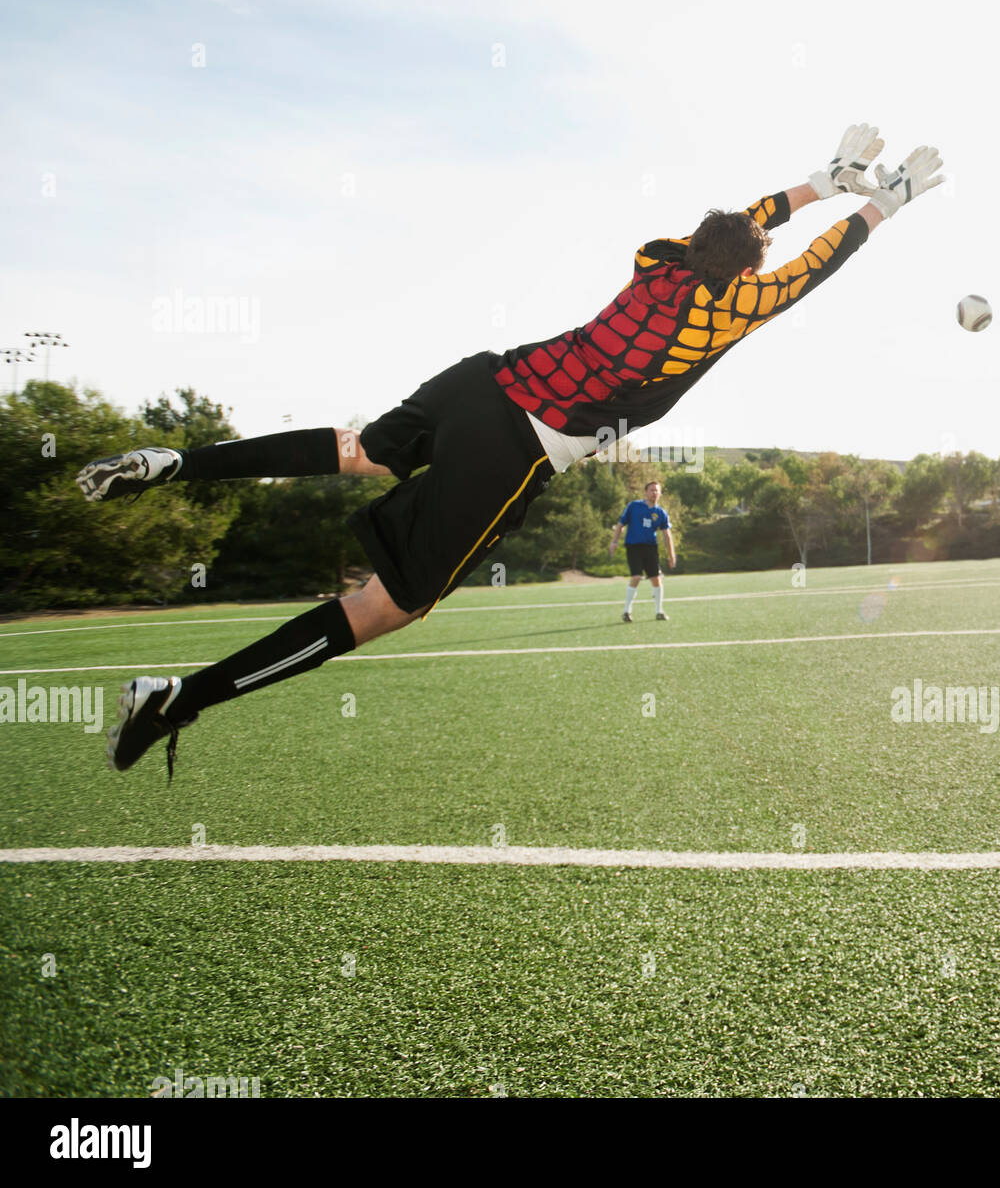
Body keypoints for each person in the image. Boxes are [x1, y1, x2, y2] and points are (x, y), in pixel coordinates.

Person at [74, 125, 943, 777]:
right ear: (746, 273)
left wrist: (820, 182)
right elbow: (815, 265)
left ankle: (178, 462)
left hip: (484, 380)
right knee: (388, 608)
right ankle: (176, 699)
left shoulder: (658, 260)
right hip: (518, 444)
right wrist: (882, 202)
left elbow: (745, 223)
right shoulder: (735, 307)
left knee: (358, 449)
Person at [610, 480, 675, 621]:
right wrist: (614, 541)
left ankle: (659, 611)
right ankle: (626, 611)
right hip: (634, 546)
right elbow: (621, 524)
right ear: (646, 492)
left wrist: (671, 555)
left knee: (656, 579)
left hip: (651, 548)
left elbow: (667, 535)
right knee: (636, 577)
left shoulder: (661, 513)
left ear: (660, 494)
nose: (654, 493)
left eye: (657, 490)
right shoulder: (634, 506)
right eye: (651, 490)